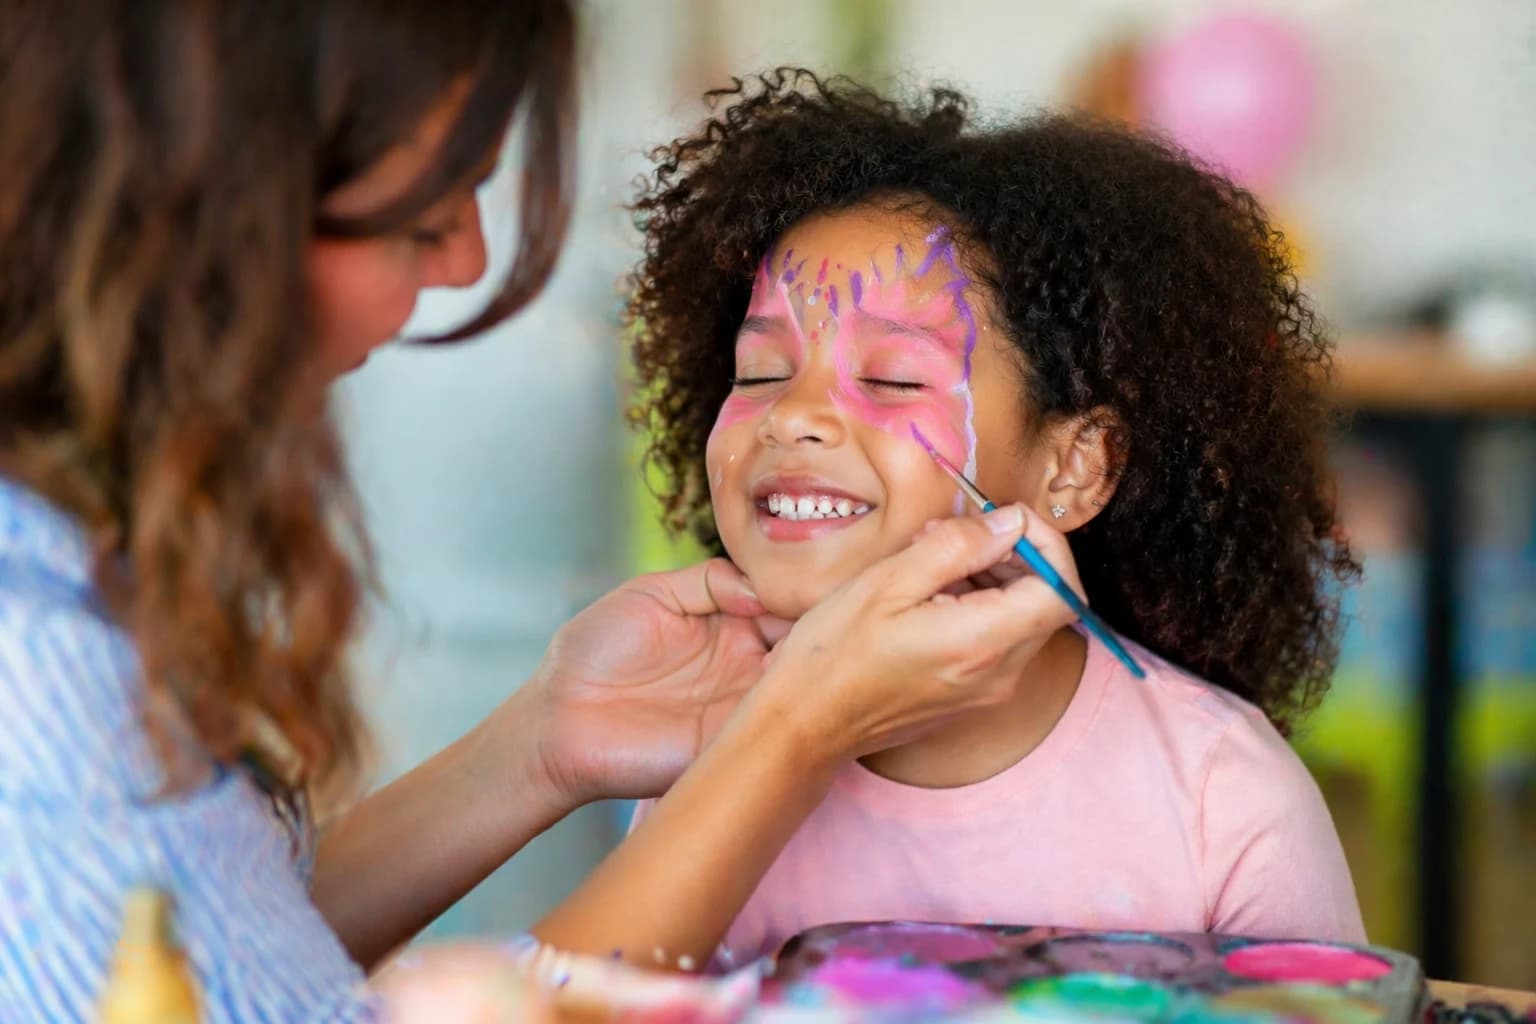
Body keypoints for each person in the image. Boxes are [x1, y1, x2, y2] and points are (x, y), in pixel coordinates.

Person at [0, 9, 1087, 1022]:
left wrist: (545, 743)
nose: (467, 259)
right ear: (215, 191)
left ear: (1079, 464)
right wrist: (792, 737)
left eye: (893, 381)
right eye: (429, 210)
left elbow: (230, 950)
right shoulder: (34, 664)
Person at [626, 69, 1366, 966]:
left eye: (893, 378)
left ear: (1075, 466)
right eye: (760, 374)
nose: (791, 417)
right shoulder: (711, 765)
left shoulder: (1221, 796)